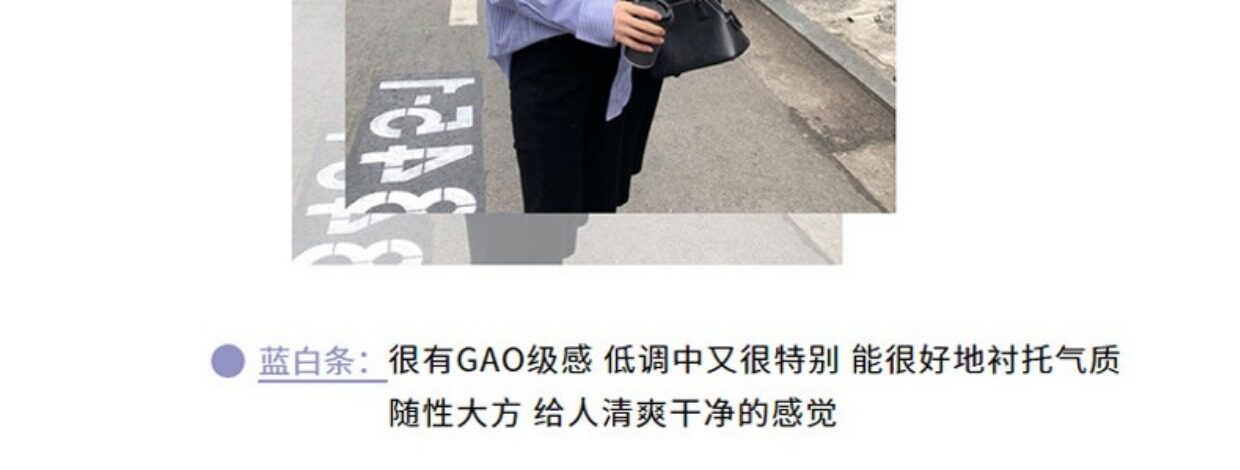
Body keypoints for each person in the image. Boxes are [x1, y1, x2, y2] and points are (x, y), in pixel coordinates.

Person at [486, 0, 667, 213]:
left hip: (622, 52)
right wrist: (595, 14)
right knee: (554, 215)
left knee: (601, 206)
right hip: (552, 57)